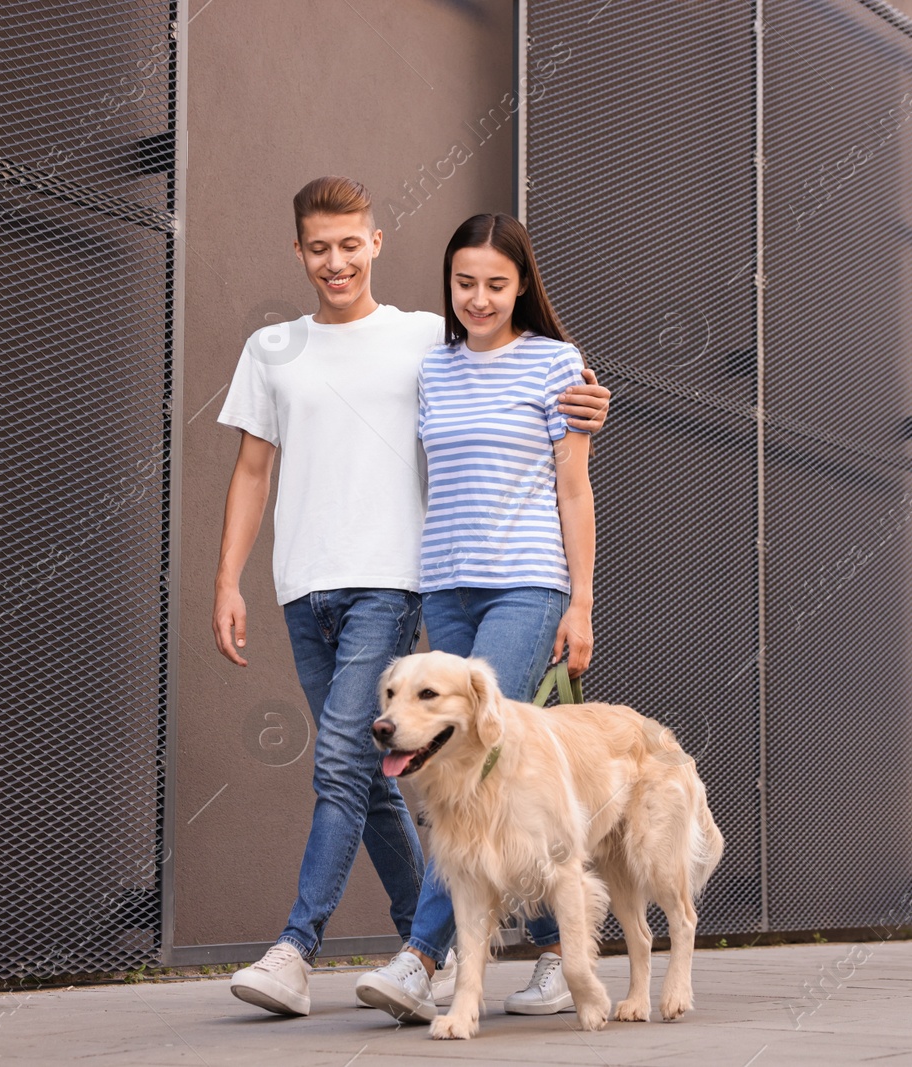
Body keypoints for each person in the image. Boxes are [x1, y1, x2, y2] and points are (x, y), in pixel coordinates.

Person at [215, 178, 610, 1017]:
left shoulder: (457, 341)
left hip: (461, 582)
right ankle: (521, 941)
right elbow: (253, 468)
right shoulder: (424, 354)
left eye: (350, 243)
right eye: (318, 247)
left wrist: (580, 598)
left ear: (376, 243)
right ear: (298, 252)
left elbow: (570, 465)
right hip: (407, 586)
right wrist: (228, 581)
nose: (478, 298)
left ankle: (365, 952)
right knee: (411, 777)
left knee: (366, 765)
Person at [354, 213, 595, 1024]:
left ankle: (423, 959)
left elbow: (572, 488)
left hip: (526, 584)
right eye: (465, 283)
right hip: (447, 588)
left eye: (496, 283)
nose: (480, 298)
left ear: (522, 284)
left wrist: (582, 601)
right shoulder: (435, 367)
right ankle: (559, 950)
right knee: (495, 776)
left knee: (463, 772)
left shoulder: (558, 363)